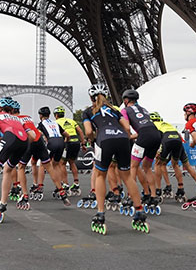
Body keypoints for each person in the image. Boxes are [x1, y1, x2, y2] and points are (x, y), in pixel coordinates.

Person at [82, 84, 148, 235]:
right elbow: (126, 127)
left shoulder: (88, 111)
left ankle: (100, 213)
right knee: (127, 176)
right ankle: (139, 210)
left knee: (100, 175)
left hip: (104, 139)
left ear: (91, 98)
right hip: (123, 139)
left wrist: (92, 140)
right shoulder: (115, 110)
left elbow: (88, 131)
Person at [0, 97, 36, 226]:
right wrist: (23, 145)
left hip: (9, 138)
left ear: (1, 108)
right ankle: (3, 203)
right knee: (8, 170)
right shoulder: (19, 119)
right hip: (24, 142)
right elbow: (33, 136)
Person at [120, 89, 161, 211]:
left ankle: (131, 195)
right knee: (147, 167)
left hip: (144, 135)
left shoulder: (125, 110)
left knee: (133, 166)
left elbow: (127, 127)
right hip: (155, 134)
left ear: (126, 101)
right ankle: (153, 196)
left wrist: (127, 136)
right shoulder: (144, 109)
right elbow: (145, 127)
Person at [150, 111, 196, 205]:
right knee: (176, 164)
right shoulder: (166, 123)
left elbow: (155, 140)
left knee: (158, 163)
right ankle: (185, 188)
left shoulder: (153, 125)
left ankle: (158, 190)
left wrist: (156, 151)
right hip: (177, 139)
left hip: (166, 139)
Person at [37, 106, 69, 201]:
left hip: (52, 142)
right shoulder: (55, 123)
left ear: (41, 115)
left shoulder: (41, 123)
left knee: (43, 165)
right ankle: (60, 186)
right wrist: (65, 142)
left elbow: (38, 134)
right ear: (49, 115)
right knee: (56, 165)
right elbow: (67, 135)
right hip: (61, 142)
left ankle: (40, 186)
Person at [55, 106, 85, 196]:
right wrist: (83, 143)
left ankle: (65, 184)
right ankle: (76, 183)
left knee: (62, 163)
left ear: (56, 115)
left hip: (67, 143)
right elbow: (80, 131)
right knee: (72, 162)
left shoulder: (56, 122)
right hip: (76, 142)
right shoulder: (71, 121)